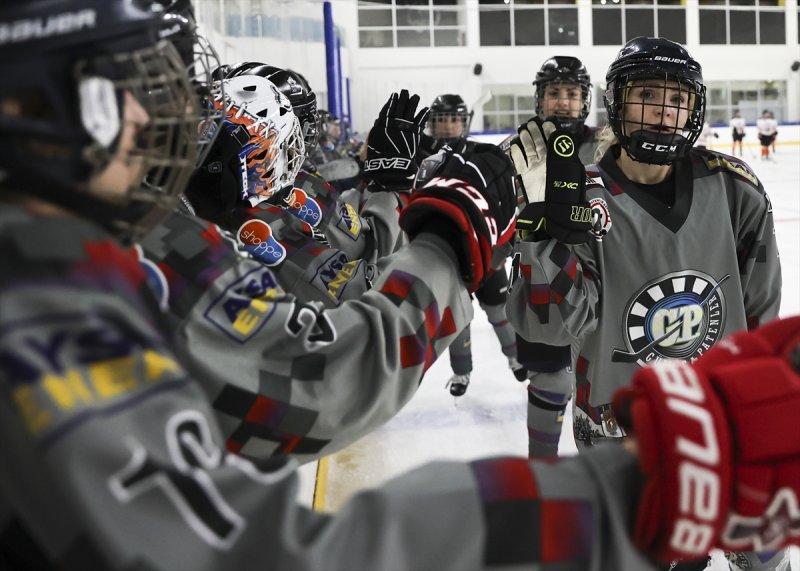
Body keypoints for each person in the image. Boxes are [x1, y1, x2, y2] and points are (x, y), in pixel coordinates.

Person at [2, 6, 799, 569]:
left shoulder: (114, 244)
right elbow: (309, 397)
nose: (171, 120)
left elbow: (310, 333)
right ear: (38, 105)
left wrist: (393, 207)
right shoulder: (39, 298)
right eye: (146, 84)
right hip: (631, 425)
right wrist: (639, 486)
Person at [506, 37, 784, 570]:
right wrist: (542, 238)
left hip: (724, 420)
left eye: (677, 99)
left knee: (764, 558)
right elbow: (555, 327)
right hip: (619, 430)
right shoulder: (577, 199)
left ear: (694, 108)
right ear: (617, 102)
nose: (662, 111)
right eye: (647, 95)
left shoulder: (735, 190)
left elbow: (760, 315)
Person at [508, 56, 597, 457]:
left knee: (601, 382)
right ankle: (540, 472)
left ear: (586, 100)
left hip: (600, 283)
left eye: (572, 94)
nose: (563, 102)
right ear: (540, 99)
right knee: (551, 378)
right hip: (539, 280)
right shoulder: (519, 148)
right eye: (554, 93)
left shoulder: (610, 145)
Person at [422, 94, 522, 396]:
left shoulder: (483, 155)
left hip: (487, 251)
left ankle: (517, 358)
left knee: (499, 311)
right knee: (458, 319)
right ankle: (461, 372)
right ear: (431, 124)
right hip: (449, 255)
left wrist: (502, 243)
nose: (449, 125)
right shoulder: (425, 161)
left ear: (464, 122)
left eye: (454, 119)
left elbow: (502, 200)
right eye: (441, 119)